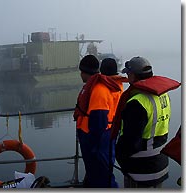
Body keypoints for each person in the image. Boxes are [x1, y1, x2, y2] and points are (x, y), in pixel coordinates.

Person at [111, 56, 181, 188]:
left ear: (133, 75)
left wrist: (118, 154)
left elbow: (130, 142)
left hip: (141, 169)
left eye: (128, 73)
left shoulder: (137, 102)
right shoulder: (163, 95)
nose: (127, 76)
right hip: (160, 163)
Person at [73, 55, 121, 188]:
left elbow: (99, 120)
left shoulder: (99, 90)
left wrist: (94, 144)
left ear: (84, 72)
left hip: (97, 139)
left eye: (81, 72)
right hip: (105, 135)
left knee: (102, 175)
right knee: (98, 173)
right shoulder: (114, 86)